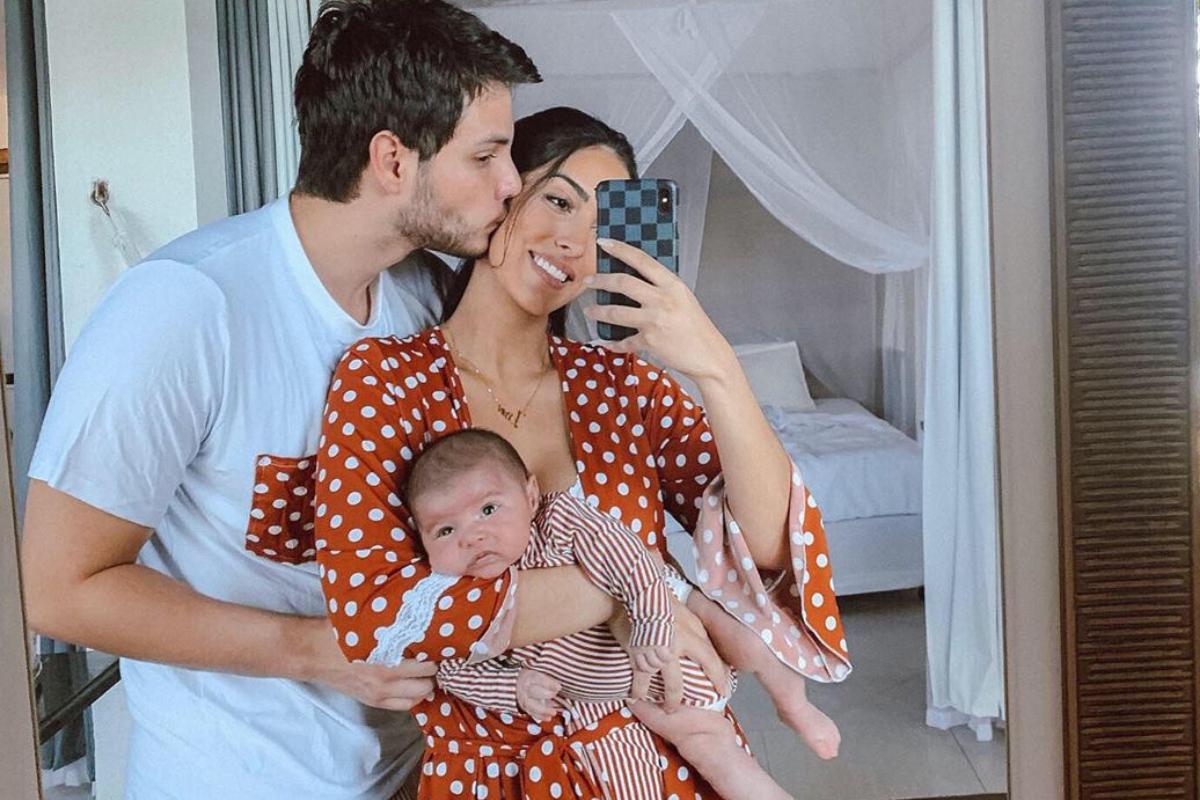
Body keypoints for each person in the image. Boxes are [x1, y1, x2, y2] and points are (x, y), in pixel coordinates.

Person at [19, 2, 540, 798]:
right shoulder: (185, 308)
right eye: (486, 156)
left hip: (416, 770)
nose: (511, 184)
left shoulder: (428, 298)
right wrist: (318, 651)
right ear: (392, 161)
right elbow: (58, 589)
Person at [312, 106, 851, 800]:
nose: (573, 242)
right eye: (560, 202)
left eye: (603, 228)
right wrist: (642, 592)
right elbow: (379, 621)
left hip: (663, 769)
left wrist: (717, 368)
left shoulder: (624, 386)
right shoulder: (385, 379)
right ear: (504, 194)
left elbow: (773, 548)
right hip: (491, 777)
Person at [405, 428, 818, 800]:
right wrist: (513, 686)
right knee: (716, 754)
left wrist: (652, 621)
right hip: (648, 701)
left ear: (530, 496)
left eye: (488, 510)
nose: (473, 537)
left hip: (663, 612)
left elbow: (629, 557)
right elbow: (451, 670)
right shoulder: (447, 599)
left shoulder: (556, 522)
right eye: (445, 530)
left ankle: (794, 703)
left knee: (748, 643)